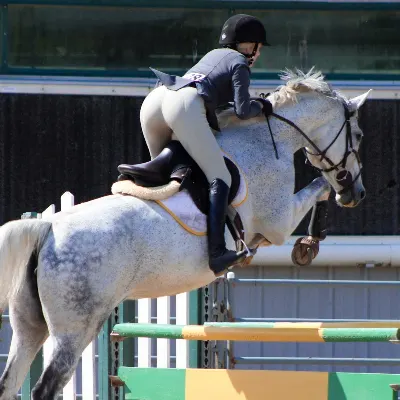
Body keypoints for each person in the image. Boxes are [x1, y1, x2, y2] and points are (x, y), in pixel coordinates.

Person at [118, 14, 273, 275]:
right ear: (251, 46)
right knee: (220, 177)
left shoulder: (214, 54)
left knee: (167, 178)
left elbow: (214, 99)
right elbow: (244, 111)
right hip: (185, 104)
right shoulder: (240, 63)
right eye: (258, 48)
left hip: (158, 99)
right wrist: (263, 104)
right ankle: (217, 254)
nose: (258, 54)